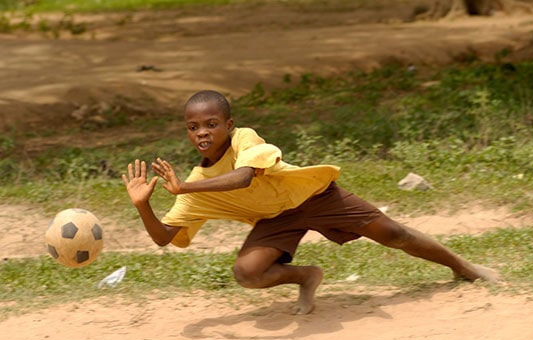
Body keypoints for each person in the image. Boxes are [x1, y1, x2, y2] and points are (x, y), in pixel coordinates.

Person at [122, 90, 501, 315]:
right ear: (186, 131)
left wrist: (185, 188)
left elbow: (243, 176)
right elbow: (164, 237)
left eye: (211, 124)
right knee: (247, 274)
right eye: (193, 127)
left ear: (228, 124)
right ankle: (306, 276)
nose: (202, 132)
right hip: (276, 220)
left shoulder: (245, 141)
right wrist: (143, 205)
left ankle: (463, 266)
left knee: (394, 234)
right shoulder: (199, 181)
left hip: (315, 198)